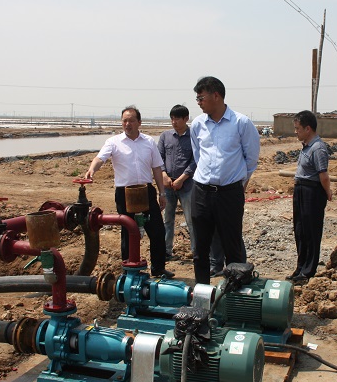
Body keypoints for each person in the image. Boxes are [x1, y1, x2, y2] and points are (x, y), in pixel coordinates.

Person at [84, 105, 174, 278]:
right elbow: (100, 158)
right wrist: (92, 170)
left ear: (139, 122)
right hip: (124, 193)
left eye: (131, 120)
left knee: (157, 230)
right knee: (128, 232)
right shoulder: (114, 142)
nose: (127, 124)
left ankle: (158, 268)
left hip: (146, 191)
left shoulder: (148, 142)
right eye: (124, 121)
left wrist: (162, 193)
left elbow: (157, 168)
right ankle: (129, 271)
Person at [190, 76, 260, 284]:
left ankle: (234, 293)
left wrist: (239, 183)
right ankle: (202, 292)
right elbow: (198, 155)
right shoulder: (198, 124)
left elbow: (251, 158)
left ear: (216, 96)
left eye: (201, 98)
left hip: (229, 194)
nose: (199, 102)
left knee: (232, 247)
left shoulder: (241, 123)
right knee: (200, 248)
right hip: (201, 192)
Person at [288, 110, 333, 282]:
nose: (295, 132)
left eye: (297, 128)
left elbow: (323, 175)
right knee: (300, 231)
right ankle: (300, 268)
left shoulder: (318, 148)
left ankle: (308, 271)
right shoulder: (306, 146)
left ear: (308, 129)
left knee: (311, 231)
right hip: (301, 190)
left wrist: (327, 191)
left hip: (312, 192)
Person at [158, 104, 196, 261]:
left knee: (191, 220)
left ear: (186, 119)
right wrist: (164, 175)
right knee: (167, 219)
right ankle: (166, 251)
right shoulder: (165, 136)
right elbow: (158, 158)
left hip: (187, 185)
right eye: (172, 119)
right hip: (168, 186)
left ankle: (197, 252)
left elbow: (196, 160)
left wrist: (182, 178)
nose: (174, 122)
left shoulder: (194, 137)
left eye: (177, 119)